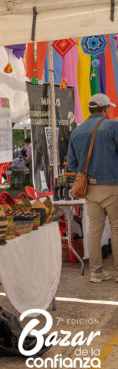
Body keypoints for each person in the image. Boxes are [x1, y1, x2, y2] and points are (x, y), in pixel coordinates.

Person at [67, 93, 118, 283]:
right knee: (117, 228)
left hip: (89, 188)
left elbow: (72, 164)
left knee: (95, 229)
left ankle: (96, 272)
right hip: (112, 184)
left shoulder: (76, 132)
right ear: (105, 109)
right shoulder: (113, 126)